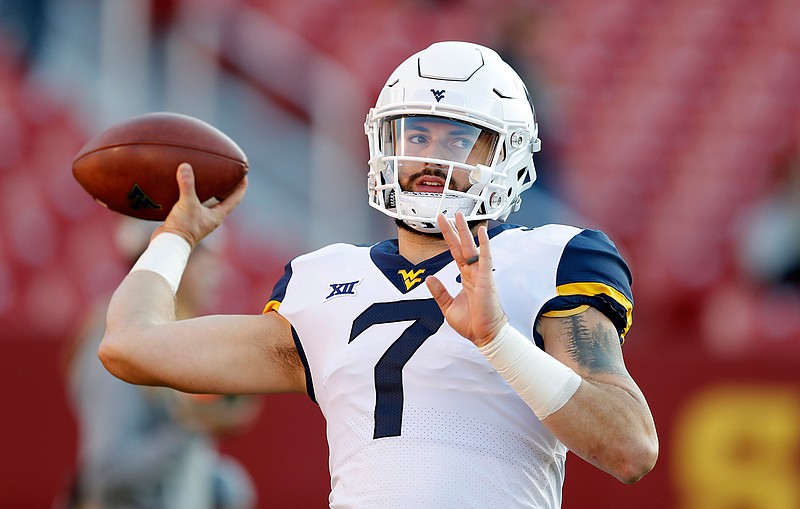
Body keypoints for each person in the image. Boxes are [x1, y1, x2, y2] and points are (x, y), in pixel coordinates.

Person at [99, 41, 658, 508]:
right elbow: (129, 345)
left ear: (507, 155)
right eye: (416, 136)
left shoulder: (550, 258)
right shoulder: (320, 283)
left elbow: (629, 448)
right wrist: (177, 236)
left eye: (458, 139)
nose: (431, 158)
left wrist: (498, 340)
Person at [60, 219, 260, 509]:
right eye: (201, 255)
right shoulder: (119, 339)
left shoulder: (155, 334)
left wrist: (222, 487)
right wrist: (193, 427)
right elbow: (109, 472)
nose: (216, 271)